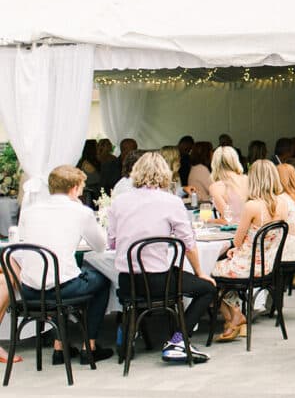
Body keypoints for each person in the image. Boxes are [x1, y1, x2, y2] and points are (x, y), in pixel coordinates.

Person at [107, 153, 214, 363]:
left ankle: (128, 332)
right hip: (158, 282)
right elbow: (188, 243)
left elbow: (111, 242)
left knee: (159, 283)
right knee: (207, 289)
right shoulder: (171, 202)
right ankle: (178, 340)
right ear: (164, 173)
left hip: (128, 281)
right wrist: (201, 273)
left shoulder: (119, 202)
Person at [17, 165, 114, 364]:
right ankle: (90, 346)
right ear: (75, 188)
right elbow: (100, 246)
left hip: (29, 290)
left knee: (64, 275)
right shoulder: (80, 211)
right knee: (101, 281)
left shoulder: (29, 211)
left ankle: (60, 347)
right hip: (60, 290)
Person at [211, 160, 295, 341]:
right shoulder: (283, 203)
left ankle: (234, 316)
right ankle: (235, 320)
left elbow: (237, 241)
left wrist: (235, 250)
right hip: (268, 265)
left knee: (207, 276)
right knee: (223, 270)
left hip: (248, 266)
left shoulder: (252, 206)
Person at [209, 146, 248, 224]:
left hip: (235, 232)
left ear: (214, 163)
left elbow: (228, 220)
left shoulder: (216, 187)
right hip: (254, 231)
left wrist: (207, 220)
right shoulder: (247, 179)